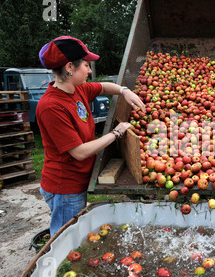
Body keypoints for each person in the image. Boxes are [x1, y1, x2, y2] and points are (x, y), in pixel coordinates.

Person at [37, 36, 145, 236]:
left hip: (78, 181)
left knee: (76, 234)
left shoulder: (77, 90)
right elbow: (79, 152)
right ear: (70, 67)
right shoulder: (51, 106)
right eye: (86, 65)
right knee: (66, 239)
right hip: (65, 187)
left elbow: (103, 86)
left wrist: (124, 90)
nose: (89, 70)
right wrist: (116, 132)